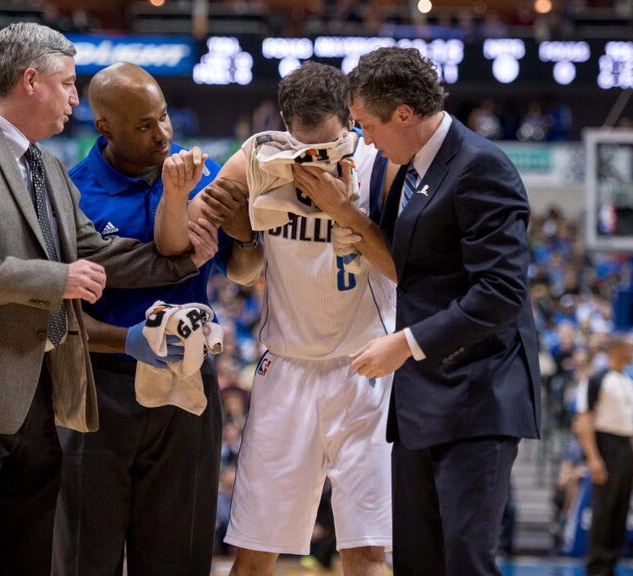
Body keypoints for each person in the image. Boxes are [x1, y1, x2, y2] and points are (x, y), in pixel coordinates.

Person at [0, 23, 216, 576]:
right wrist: (54, 279)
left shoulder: (49, 168)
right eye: (66, 84)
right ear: (31, 80)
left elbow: (100, 254)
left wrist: (186, 260)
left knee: (28, 553)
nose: (73, 98)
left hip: (37, 391)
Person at [323, 47, 541, 576]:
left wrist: (406, 342)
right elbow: (414, 268)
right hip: (424, 397)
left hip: (478, 392)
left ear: (403, 113)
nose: (366, 138)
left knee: (465, 561)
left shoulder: (480, 165)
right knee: (418, 562)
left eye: (368, 125)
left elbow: (501, 292)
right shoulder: (409, 169)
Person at [177, 61, 398, 576]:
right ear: (282, 122)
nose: (313, 158)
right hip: (288, 368)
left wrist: (346, 213)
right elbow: (214, 243)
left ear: (349, 116)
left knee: (364, 552)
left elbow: (404, 269)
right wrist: (229, 218)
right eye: (303, 145)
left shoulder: (377, 161)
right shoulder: (258, 154)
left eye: (323, 144)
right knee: (254, 552)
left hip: (365, 367)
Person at [51, 62, 262, 576]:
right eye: (144, 125)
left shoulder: (204, 175)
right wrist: (128, 340)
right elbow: (58, 318)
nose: (162, 133)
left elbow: (243, 270)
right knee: (85, 555)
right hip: (99, 389)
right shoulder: (72, 195)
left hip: (187, 380)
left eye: (164, 117)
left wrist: (246, 230)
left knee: (180, 553)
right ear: (105, 128)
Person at [575, 336, 633, 576]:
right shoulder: (596, 379)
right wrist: (593, 458)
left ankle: (611, 565)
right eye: (630, 347)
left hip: (625, 445)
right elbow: (584, 421)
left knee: (621, 510)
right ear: (616, 350)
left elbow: (631, 427)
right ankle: (596, 568)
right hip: (605, 444)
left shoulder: (628, 382)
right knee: (603, 509)